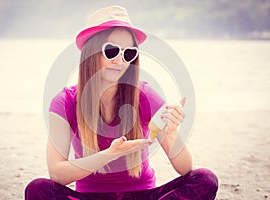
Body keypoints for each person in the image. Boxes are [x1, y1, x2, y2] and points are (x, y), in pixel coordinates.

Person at [25, 5, 218, 200]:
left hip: (143, 195)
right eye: (111, 51)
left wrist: (171, 131)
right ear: (90, 53)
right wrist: (110, 154)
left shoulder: (145, 95)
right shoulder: (64, 102)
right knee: (38, 189)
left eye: (128, 53)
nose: (120, 60)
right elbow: (57, 174)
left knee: (205, 179)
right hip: (90, 197)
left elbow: (185, 169)